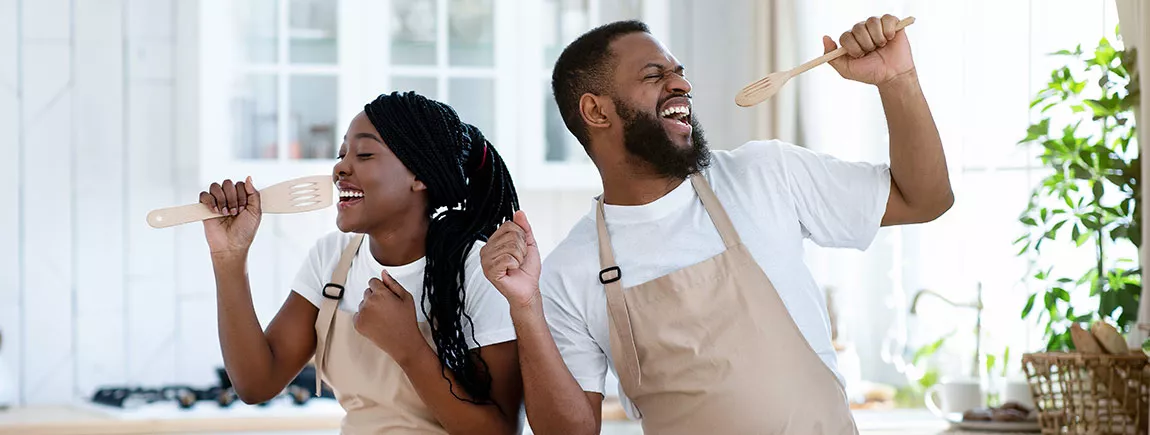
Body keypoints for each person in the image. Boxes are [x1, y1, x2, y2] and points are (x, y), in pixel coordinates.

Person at [481, 15, 952, 435]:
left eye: (679, 73)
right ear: (596, 111)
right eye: (655, 75)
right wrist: (525, 307)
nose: (681, 85)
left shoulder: (765, 175)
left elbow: (925, 199)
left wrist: (898, 80)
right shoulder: (569, 270)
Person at [200, 91, 523, 434]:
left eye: (365, 153)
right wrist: (230, 259)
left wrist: (410, 348)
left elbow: (500, 430)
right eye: (342, 155)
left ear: (420, 175)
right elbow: (256, 384)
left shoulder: (478, 269)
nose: (339, 167)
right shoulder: (333, 259)